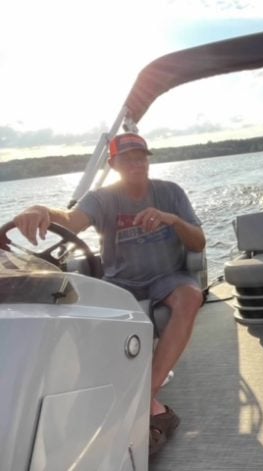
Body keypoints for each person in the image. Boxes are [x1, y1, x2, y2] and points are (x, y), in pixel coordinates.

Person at [12, 132, 206, 456]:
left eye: (141, 156)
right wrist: (39, 208)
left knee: (190, 296)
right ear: (114, 164)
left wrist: (172, 220)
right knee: (74, 312)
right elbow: (70, 220)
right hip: (123, 282)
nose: (136, 163)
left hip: (168, 277)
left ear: (148, 159)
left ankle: (144, 398)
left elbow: (198, 242)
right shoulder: (103, 198)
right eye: (127, 158)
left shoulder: (171, 193)